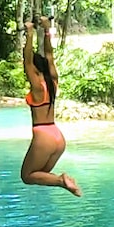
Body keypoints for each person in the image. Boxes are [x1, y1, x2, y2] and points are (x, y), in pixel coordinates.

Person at [21, 15, 81, 196]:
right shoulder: (53, 81)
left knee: (27, 176)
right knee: (40, 175)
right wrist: (47, 29)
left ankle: (62, 180)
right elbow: (49, 55)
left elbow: (27, 60)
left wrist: (30, 32)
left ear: (36, 71)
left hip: (43, 136)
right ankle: (62, 181)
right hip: (57, 136)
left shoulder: (38, 87)